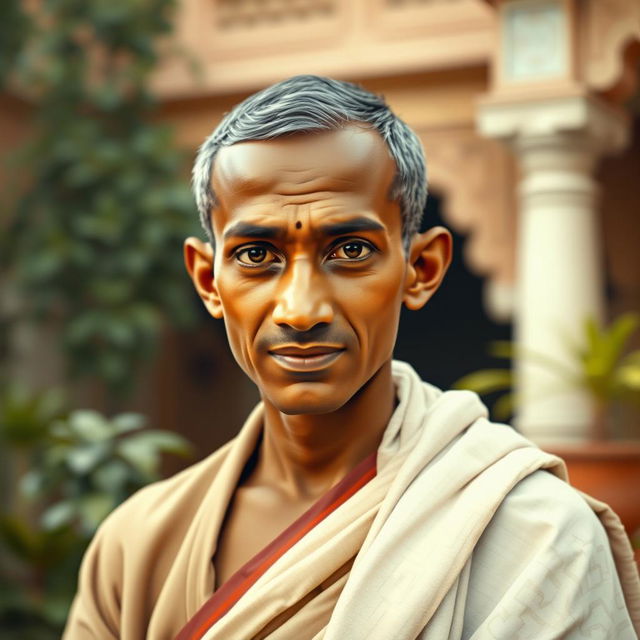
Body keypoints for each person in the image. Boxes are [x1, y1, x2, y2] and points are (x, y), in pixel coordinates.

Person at [63, 75, 640, 639]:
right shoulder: (135, 547)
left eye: (350, 249)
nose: (300, 310)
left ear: (421, 269)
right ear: (208, 281)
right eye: (257, 254)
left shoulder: (539, 536)